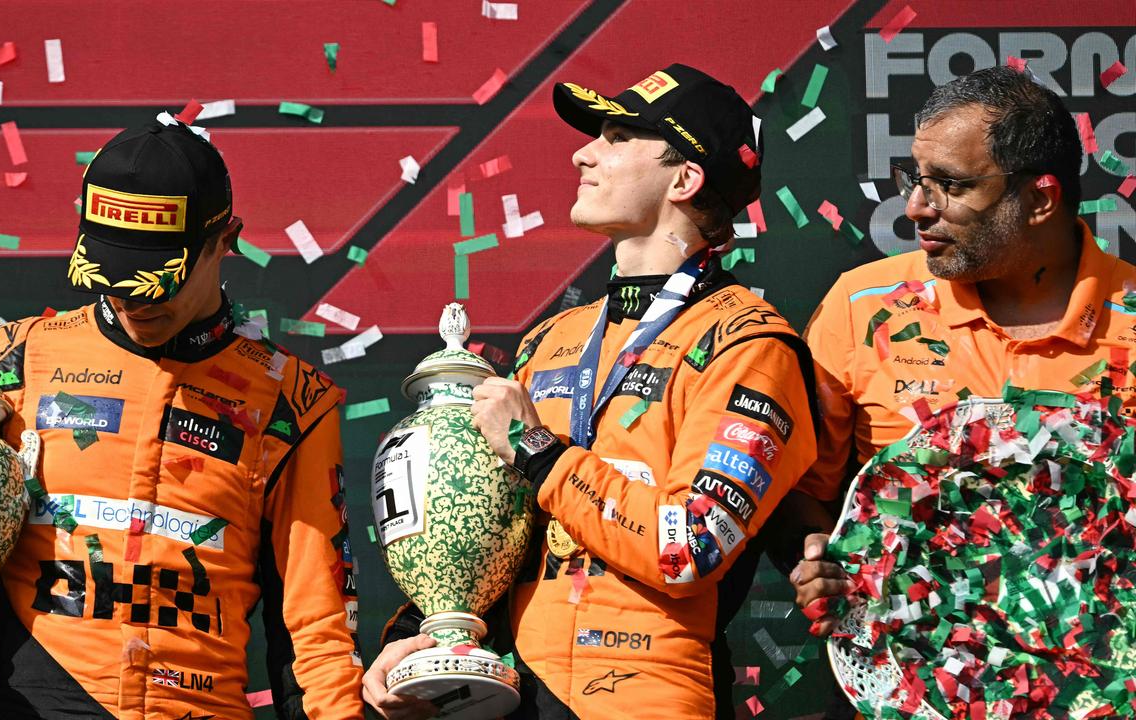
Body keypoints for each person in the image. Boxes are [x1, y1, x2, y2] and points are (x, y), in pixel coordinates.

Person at [0, 118, 364, 719]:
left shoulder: (292, 400)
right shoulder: (12, 361)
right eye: (111, 270)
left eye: (154, 277)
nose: (130, 298)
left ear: (226, 239)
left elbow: (316, 630)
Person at [364, 63, 819, 719]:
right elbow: (498, 529)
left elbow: (689, 546)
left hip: (652, 698)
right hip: (518, 697)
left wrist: (539, 452)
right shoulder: (548, 340)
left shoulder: (749, 346)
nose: (584, 153)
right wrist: (426, 637)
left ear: (685, 178)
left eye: (617, 137)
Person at [787, 64, 1136, 685]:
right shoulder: (863, 306)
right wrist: (819, 558)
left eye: (950, 184)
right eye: (914, 179)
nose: (916, 207)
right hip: (909, 686)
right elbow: (804, 491)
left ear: (1040, 199)